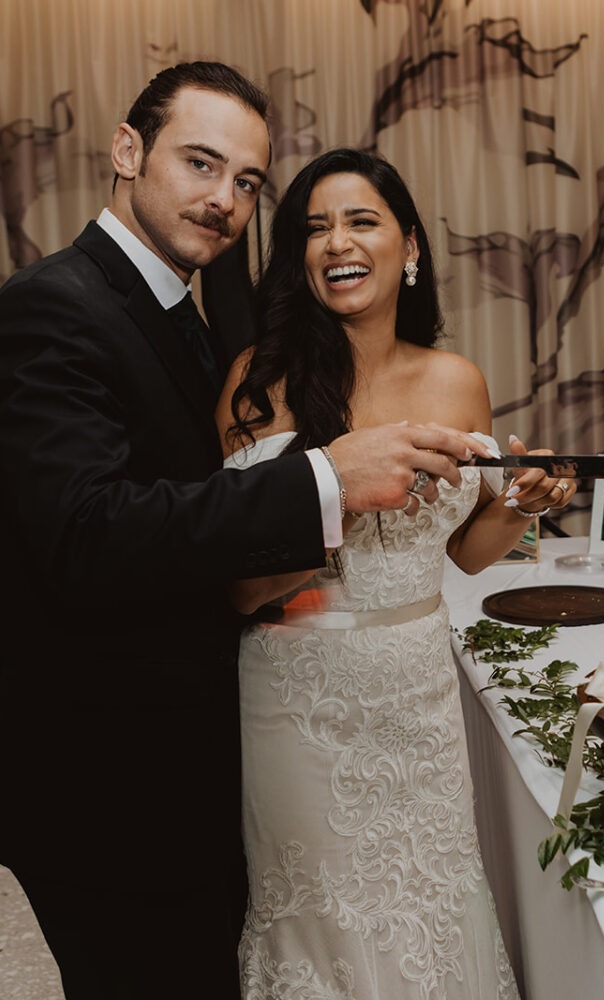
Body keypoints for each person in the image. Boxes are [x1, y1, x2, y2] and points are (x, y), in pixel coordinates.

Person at [0, 65, 490, 999]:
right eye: (201, 163)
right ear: (127, 152)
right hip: (100, 779)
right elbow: (83, 533)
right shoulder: (52, 308)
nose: (224, 200)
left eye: (246, 182)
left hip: (188, 762)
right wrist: (326, 477)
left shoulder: (188, 320)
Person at [216, 147, 577, 999]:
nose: (336, 241)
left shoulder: (456, 383)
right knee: (320, 924)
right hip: (298, 697)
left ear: (409, 247)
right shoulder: (256, 385)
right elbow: (238, 587)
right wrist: (343, 493)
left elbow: (461, 553)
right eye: (314, 228)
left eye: (360, 220)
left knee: (432, 905)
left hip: (417, 694)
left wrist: (524, 502)